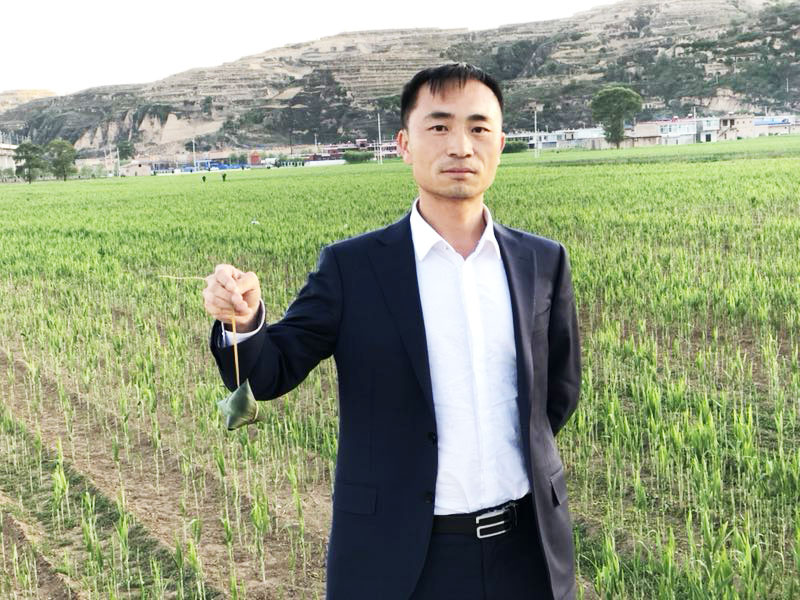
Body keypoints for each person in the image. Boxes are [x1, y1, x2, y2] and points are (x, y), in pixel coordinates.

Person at [203, 63, 581, 600]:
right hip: (401, 558)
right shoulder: (353, 268)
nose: (460, 146)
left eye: (478, 128)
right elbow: (271, 372)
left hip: (528, 554)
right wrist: (244, 322)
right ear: (404, 144)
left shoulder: (542, 260)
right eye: (439, 126)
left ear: (500, 143)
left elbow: (558, 393)